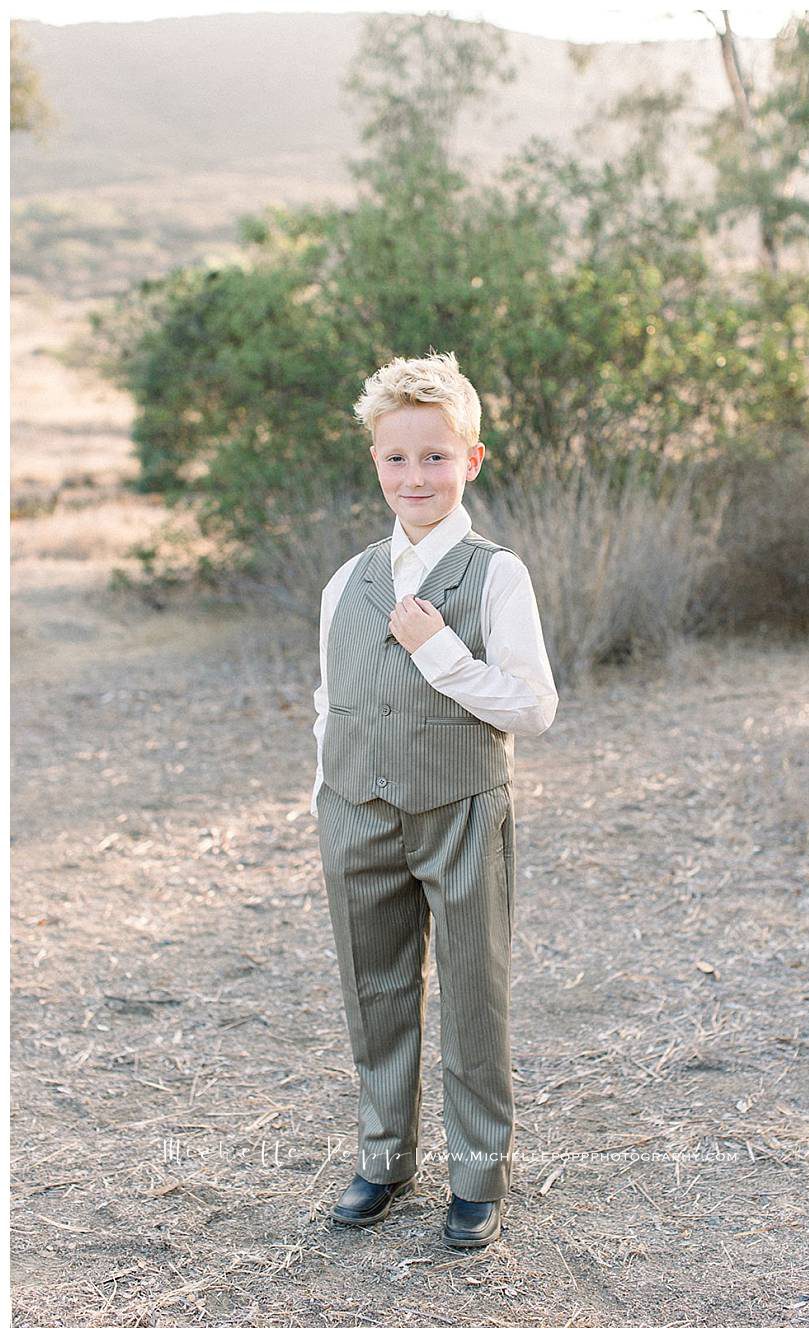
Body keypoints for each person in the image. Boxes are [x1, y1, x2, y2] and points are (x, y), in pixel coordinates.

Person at [310, 350, 558, 1249]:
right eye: (396, 458)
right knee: (373, 989)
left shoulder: (495, 576)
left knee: (472, 992)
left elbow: (532, 706)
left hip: (460, 809)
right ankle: (382, 1159)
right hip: (356, 812)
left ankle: (479, 1173)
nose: (415, 476)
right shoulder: (346, 580)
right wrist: (324, 796)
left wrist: (440, 654)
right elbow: (328, 698)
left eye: (436, 457)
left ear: (473, 460)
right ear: (374, 462)